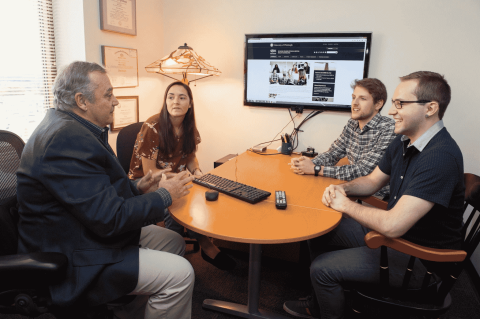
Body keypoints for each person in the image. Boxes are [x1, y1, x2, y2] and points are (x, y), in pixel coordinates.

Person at [16, 61, 196, 319]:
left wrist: (138, 186)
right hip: (75, 251)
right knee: (181, 274)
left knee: (173, 241)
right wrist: (164, 195)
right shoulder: (65, 139)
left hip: (88, 229)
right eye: (108, 94)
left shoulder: (78, 129)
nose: (116, 102)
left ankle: (129, 312)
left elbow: (98, 192)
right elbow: (110, 218)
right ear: (82, 101)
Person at [283, 71, 464, 319]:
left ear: (430, 108)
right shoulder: (404, 141)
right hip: (400, 238)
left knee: (321, 269)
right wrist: (343, 189)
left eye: (400, 104)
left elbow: (392, 225)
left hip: (420, 260)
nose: (391, 111)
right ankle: (325, 301)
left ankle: (327, 297)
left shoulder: (439, 157)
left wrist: (345, 205)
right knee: (321, 230)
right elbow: (371, 181)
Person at [129, 81, 236, 271]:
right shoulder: (152, 127)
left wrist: (196, 172)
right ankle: (183, 250)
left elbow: (191, 157)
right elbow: (149, 173)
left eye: (181, 97)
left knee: (199, 197)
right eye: (170, 97)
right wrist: (179, 179)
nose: (175, 101)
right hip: (142, 183)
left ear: (190, 103)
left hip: (173, 178)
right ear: (165, 101)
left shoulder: (189, 128)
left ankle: (196, 245)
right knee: (176, 201)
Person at [289, 78, 396, 198]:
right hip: (353, 188)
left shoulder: (389, 129)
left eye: (362, 98)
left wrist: (316, 169)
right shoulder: (352, 123)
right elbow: (333, 153)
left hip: (376, 198)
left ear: (378, 104)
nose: (354, 103)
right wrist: (307, 163)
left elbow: (364, 172)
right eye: (353, 97)